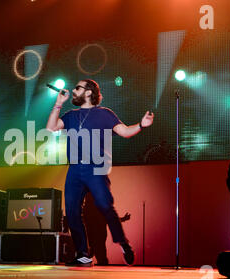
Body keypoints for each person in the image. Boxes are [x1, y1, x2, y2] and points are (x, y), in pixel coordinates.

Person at [46, 79, 154, 267]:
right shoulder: (71, 115)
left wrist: (141, 125)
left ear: (88, 93)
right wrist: (58, 104)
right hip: (75, 168)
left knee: (105, 206)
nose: (73, 90)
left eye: (77, 88)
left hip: (95, 167)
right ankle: (82, 254)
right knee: (71, 211)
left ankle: (123, 243)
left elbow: (125, 132)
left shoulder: (105, 114)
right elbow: (50, 128)